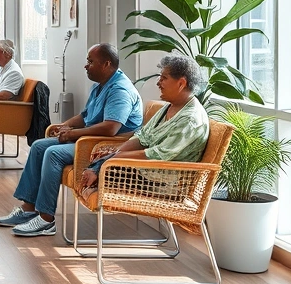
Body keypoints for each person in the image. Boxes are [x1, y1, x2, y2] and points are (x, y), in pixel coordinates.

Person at [0, 43, 142, 237]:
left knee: (53, 154)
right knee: (39, 146)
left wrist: (73, 134)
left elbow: (111, 128)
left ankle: (46, 220)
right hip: (89, 139)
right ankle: (28, 209)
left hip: (104, 147)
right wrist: (65, 125)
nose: (86, 66)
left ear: (106, 64)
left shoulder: (120, 90)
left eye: (90, 62)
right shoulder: (100, 86)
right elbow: (85, 115)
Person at [78, 54, 210, 201]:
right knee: (97, 162)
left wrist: (113, 160)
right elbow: (142, 137)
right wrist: (112, 156)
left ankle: (95, 184)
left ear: (181, 83)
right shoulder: (170, 107)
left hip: (165, 183)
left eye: (164, 78)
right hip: (146, 172)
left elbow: (158, 155)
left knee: (95, 174)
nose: (158, 83)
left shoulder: (190, 120)